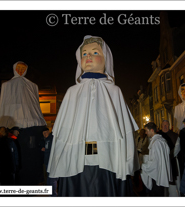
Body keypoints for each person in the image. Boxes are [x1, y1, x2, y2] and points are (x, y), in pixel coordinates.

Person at [47, 35, 139, 196]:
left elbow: (125, 132)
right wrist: (57, 161)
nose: (88, 56)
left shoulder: (114, 91)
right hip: (75, 160)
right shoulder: (72, 92)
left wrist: (127, 162)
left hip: (109, 160)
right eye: (84, 54)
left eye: (94, 52)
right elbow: (62, 132)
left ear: (106, 58)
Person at [0, 61, 46, 185]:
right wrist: (5, 124)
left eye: (22, 68)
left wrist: (42, 125)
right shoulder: (7, 85)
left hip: (32, 125)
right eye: (18, 68)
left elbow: (36, 106)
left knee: (30, 159)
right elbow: (4, 104)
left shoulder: (32, 86)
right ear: (14, 69)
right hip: (14, 124)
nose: (20, 71)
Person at [141, 122, 172, 196]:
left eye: (146, 131)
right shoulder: (161, 140)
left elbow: (155, 162)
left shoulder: (156, 143)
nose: (145, 133)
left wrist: (144, 166)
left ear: (152, 130)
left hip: (157, 175)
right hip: (160, 172)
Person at [158, 120, 180, 196]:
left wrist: (169, 156)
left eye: (166, 125)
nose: (165, 127)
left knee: (172, 183)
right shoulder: (158, 136)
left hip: (172, 161)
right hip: (160, 163)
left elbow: (177, 149)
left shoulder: (174, 135)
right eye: (163, 125)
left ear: (169, 126)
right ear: (161, 126)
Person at [42, 128, 58, 196]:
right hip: (47, 161)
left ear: (48, 132)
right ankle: (51, 193)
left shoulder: (51, 139)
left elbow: (51, 150)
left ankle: (53, 194)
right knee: (49, 178)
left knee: (52, 178)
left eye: (46, 133)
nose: (45, 134)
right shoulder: (47, 139)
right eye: (44, 133)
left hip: (50, 161)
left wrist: (45, 150)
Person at [134, 129, 149, 195]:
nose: (141, 134)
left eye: (143, 133)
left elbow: (144, 148)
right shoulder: (138, 138)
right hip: (137, 156)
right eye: (141, 133)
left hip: (142, 156)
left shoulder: (146, 139)